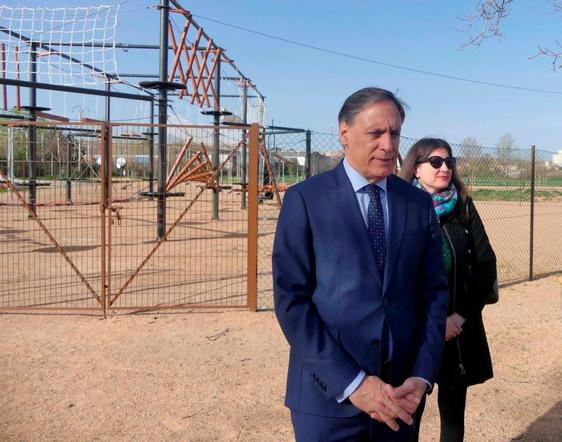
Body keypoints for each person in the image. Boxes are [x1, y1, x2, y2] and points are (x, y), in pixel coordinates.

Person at [272, 87, 449, 441]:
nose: (388, 145)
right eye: (375, 133)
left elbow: (433, 295)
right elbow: (293, 303)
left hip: (401, 400)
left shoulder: (417, 204)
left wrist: (421, 375)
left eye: (395, 133)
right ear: (344, 134)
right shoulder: (305, 201)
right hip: (328, 404)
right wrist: (353, 383)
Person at [400, 138, 497, 442]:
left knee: (453, 414)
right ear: (416, 168)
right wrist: (434, 322)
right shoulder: (401, 208)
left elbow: (485, 265)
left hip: (458, 330)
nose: (445, 168)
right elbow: (398, 277)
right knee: (408, 415)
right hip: (416, 332)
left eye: (449, 162)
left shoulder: (463, 207)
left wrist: (459, 317)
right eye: (435, 162)